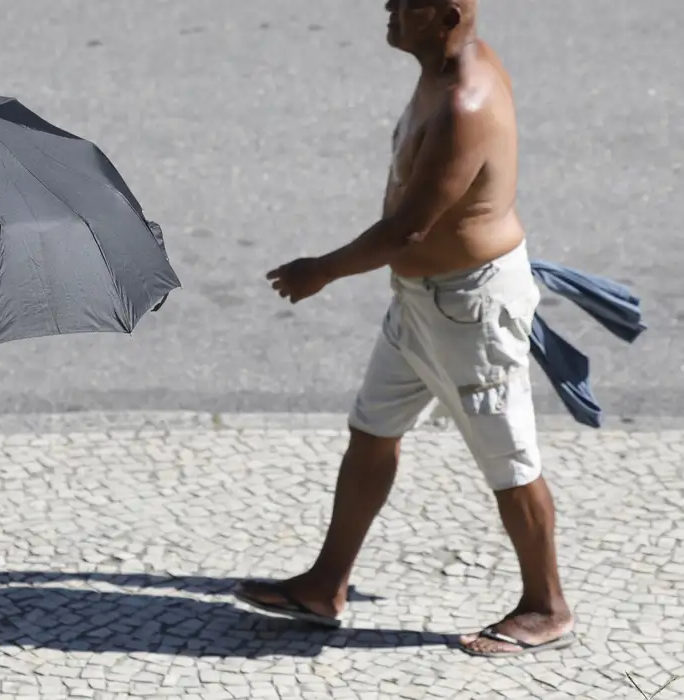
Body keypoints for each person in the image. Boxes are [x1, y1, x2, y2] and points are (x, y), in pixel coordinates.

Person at [236, 0, 576, 658]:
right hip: (422, 300)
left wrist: (321, 270)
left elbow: (408, 230)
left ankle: (547, 606)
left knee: (510, 461)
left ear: (445, 16)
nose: (388, 7)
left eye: (406, 1)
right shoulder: (441, 72)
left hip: (470, 310)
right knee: (373, 430)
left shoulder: (465, 103)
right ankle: (325, 585)